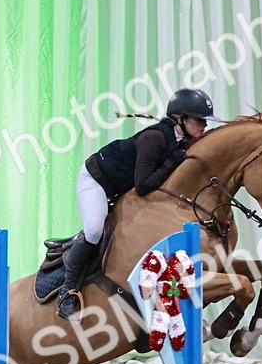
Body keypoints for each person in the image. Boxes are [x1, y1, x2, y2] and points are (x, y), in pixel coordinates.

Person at [56, 88, 220, 319]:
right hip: (97, 181)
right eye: (199, 119)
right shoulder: (154, 138)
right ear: (180, 119)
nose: (204, 125)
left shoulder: (182, 141)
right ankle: (67, 291)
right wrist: (171, 162)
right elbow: (143, 185)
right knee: (94, 229)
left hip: (122, 187)